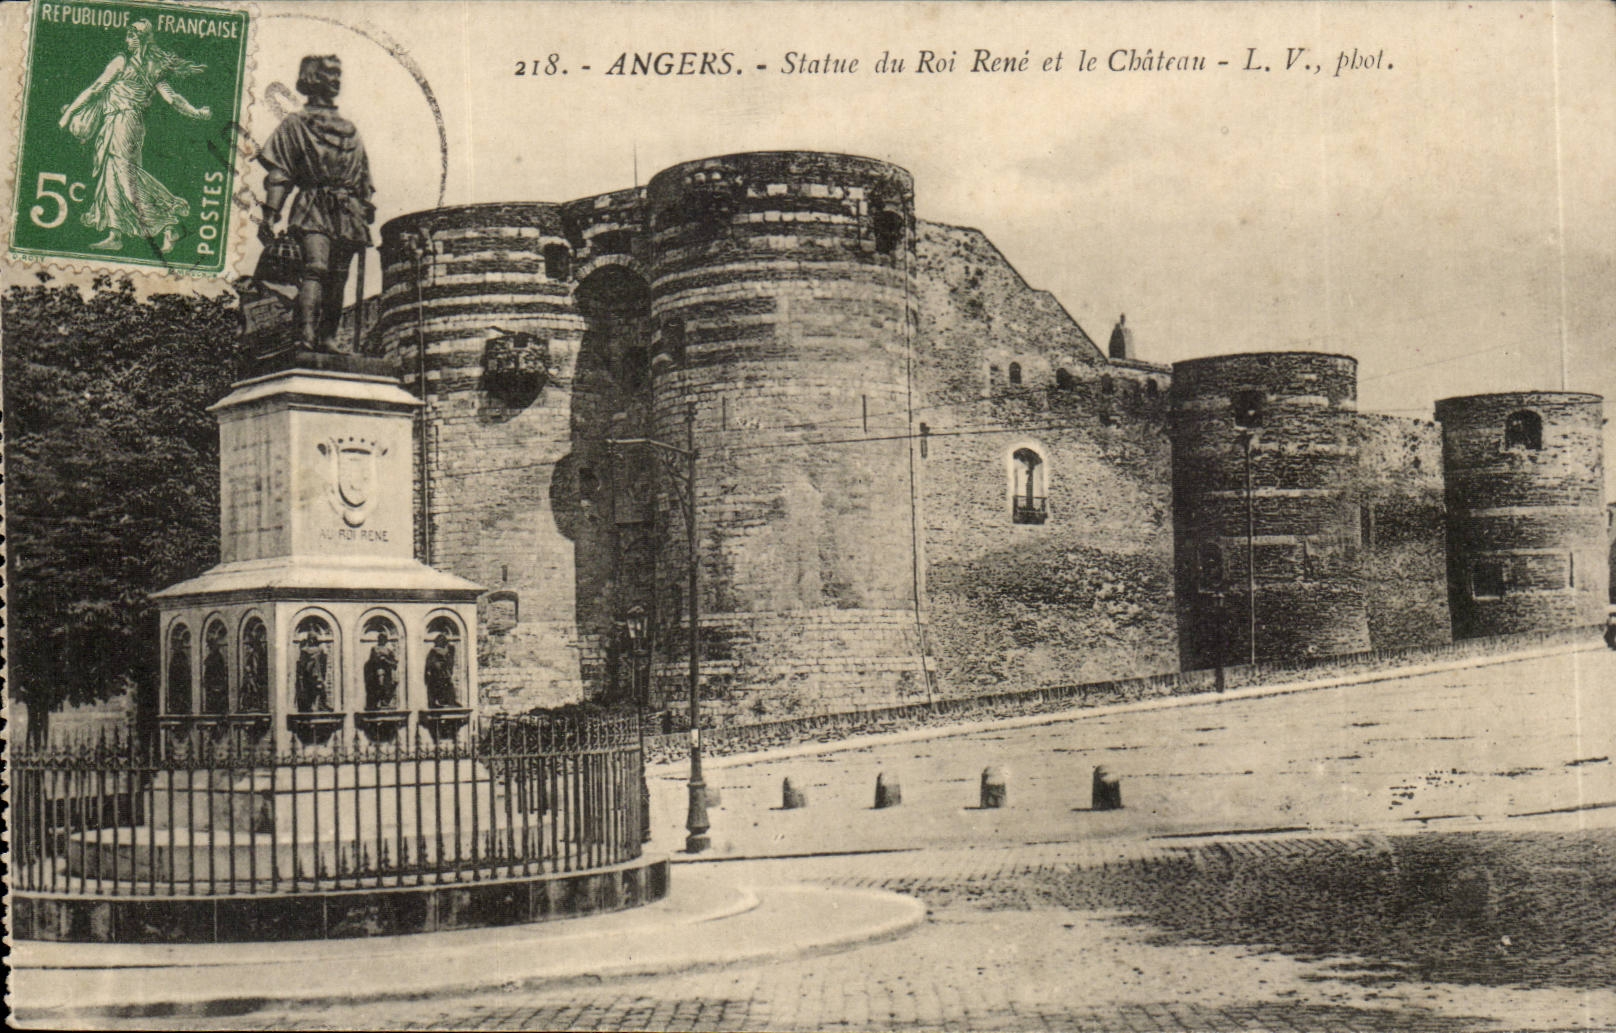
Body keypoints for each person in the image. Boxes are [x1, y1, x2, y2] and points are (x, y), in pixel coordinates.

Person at [58, 19, 211, 253]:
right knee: (112, 176)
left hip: (124, 123)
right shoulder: (154, 68)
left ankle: (168, 225)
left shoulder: (122, 62)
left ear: (138, 38)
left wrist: (69, 113)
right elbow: (174, 99)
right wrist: (197, 113)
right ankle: (115, 234)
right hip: (123, 123)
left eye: (130, 36)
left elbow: (96, 88)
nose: (126, 40)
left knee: (125, 178)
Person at [257, 55, 375, 351]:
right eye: (328, 73)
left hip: (348, 211)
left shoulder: (351, 129)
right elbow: (280, 172)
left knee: (339, 278)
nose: (336, 79)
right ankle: (305, 337)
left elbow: (363, 177)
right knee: (315, 269)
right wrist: (270, 214)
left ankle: (328, 337)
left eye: (338, 73)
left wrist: (364, 204)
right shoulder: (294, 125)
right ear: (311, 78)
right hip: (313, 205)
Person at [294, 628, 331, 713]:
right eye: (310, 638)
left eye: (313, 638)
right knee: (310, 689)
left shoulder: (320, 649)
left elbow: (323, 662)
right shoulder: (304, 650)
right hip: (308, 673)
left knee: (318, 689)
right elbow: (302, 662)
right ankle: (311, 706)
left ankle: (318, 705)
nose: (311, 640)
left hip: (318, 673)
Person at [363, 628, 399, 710]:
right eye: (381, 638)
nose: (382, 640)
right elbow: (371, 660)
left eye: (384, 638)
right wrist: (378, 659)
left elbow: (395, 662)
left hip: (388, 672)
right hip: (378, 670)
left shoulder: (389, 650)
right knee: (380, 684)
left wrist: (386, 660)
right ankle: (377, 702)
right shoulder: (375, 649)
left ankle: (385, 702)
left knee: (390, 685)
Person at [424, 632, 458, 709]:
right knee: (438, 687)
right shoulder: (434, 651)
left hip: (442, 673)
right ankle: (438, 701)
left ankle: (448, 701)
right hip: (438, 674)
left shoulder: (444, 651)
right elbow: (431, 664)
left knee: (446, 687)